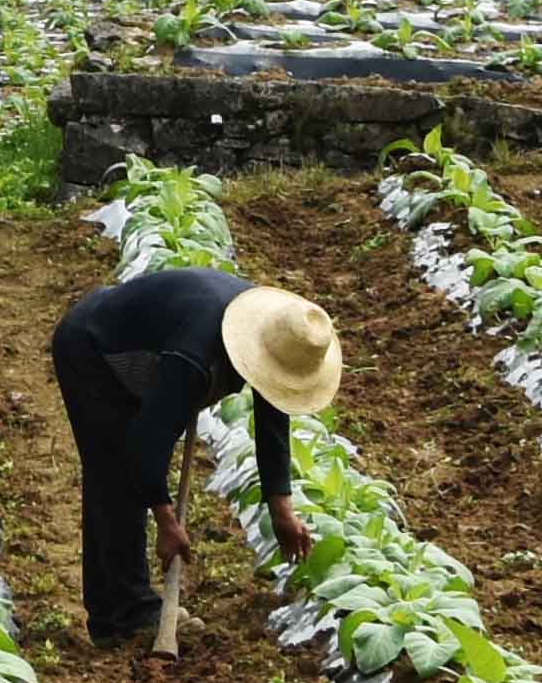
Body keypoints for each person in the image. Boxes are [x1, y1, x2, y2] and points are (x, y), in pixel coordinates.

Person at [48, 266, 338, 650]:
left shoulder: (272, 331)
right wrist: (167, 521)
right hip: (93, 349)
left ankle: (130, 606)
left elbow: (273, 416)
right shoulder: (195, 354)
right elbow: (144, 442)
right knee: (114, 475)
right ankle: (121, 617)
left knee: (131, 468)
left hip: (155, 350)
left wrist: (280, 507)